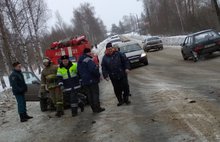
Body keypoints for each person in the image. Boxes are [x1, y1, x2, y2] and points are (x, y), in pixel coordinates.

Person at [77, 48, 105, 113]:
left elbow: (78, 71)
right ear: (88, 52)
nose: (91, 53)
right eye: (90, 52)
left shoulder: (79, 60)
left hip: (84, 81)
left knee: (89, 95)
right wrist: (98, 75)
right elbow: (93, 69)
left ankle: (93, 109)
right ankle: (97, 108)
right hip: (92, 80)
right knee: (95, 94)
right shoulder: (88, 59)